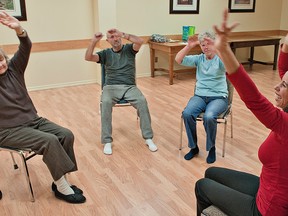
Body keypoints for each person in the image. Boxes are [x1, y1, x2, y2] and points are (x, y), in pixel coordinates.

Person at [195, 9, 288, 216]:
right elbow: (285, 69)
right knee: (211, 172)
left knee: (202, 185)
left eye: (283, 85)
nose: (276, 87)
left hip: (267, 209)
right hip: (267, 188)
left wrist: (224, 51)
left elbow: (253, 98)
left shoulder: (285, 124)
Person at [0, 12, 86, 203]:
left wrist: (18, 29)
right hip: (7, 130)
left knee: (66, 134)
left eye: (1, 59)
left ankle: (59, 181)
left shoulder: (14, 69)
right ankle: (63, 188)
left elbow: (26, 46)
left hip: (33, 121)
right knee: (49, 141)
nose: (1, 64)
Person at [85, 29, 157, 155]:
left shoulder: (129, 49)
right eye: (112, 37)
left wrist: (123, 34)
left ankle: (148, 138)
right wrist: (93, 41)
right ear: (108, 41)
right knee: (105, 103)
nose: (115, 39)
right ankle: (107, 141)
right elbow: (88, 57)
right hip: (110, 87)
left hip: (129, 87)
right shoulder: (105, 54)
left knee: (142, 102)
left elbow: (140, 41)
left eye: (117, 36)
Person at [175, 30, 228, 163]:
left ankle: (211, 148)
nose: (205, 47)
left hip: (218, 97)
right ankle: (194, 147)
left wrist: (218, 48)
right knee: (187, 113)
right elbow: (178, 59)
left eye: (208, 44)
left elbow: (228, 65)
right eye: (203, 45)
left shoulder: (220, 59)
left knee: (209, 116)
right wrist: (189, 46)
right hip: (200, 96)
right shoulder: (199, 58)